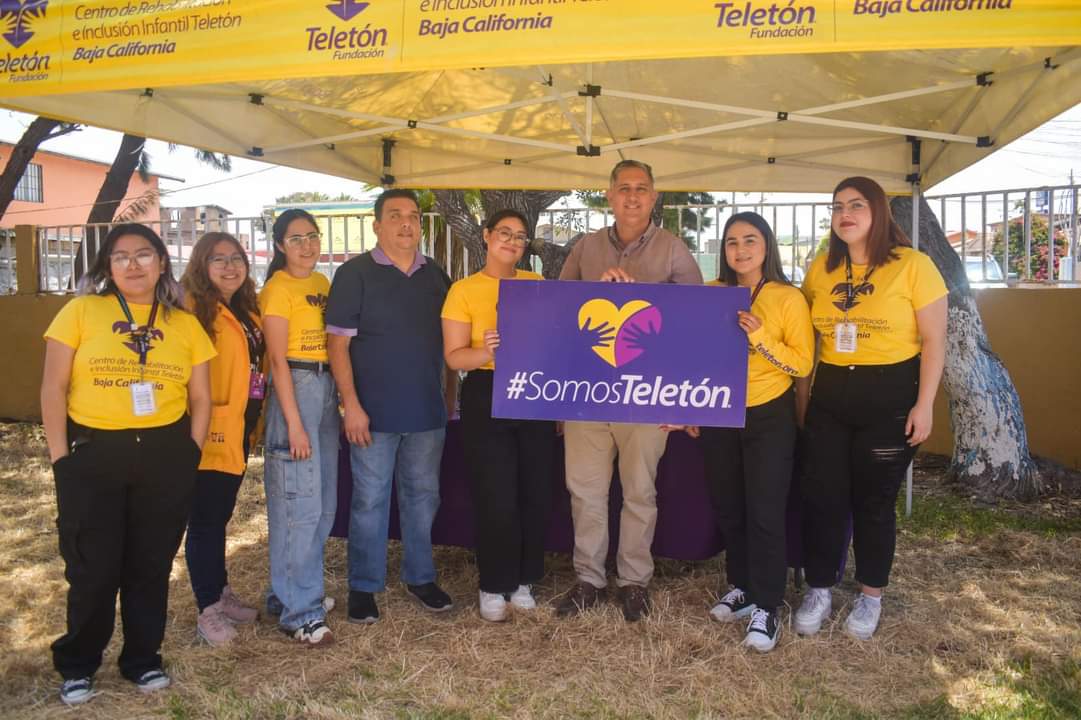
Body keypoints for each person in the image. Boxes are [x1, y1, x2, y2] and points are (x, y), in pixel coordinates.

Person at [40, 223, 215, 705]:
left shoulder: (185, 324)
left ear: (162, 262)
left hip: (165, 455)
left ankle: (143, 659)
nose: (133, 264)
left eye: (143, 254)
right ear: (108, 266)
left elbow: (201, 397)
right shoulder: (80, 311)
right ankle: (78, 664)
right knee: (92, 568)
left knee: (150, 564)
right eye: (121, 256)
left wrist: (190, 451)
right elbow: (53, 388)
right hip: (94, 454)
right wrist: (60, 459)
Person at [794, 176, 947, 640]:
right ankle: (820, 587)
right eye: (838, 206)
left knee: (874, 501)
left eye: (856, 205)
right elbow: (807, 340)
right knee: (823, 497)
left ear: (878, 211)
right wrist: (804, 400)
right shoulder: (820, 268)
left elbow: (934, 341)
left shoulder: (913, 266)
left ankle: (870, 595)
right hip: (831, 393)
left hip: (891, 394)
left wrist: (925, 404)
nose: (845, 214)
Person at [555, 159, 703, 622]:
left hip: (646, 396)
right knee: (585, 491)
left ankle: (634, 581)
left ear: (654, 196)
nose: (632, 196)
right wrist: (595, 296)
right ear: (610, 195)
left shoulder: (673, 249)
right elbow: (559, 313)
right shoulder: (585, 248)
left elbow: (695, 321)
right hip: (588, 394)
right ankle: (589, 579)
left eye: (641, 188)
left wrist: (642, 298)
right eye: (624, 188)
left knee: (640, 491)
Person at [326, 189, 453, 625]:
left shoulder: (436, 275)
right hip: (372, 415)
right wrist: (351, 405)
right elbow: (337, 346)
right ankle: (364, 587)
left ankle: (421, 577)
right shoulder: (354, 274)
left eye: (413, 215)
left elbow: (448, 342)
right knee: (369, 501)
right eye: (395, 215)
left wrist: (448, 398)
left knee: (423, 498)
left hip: (426, 414)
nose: (406, 223)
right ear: (377, 224)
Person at [690, 212, 813, 652]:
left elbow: (802, 364)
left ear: (767, 246)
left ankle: (767, 604)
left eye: (749, 240)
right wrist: (692, 405)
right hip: (719, 412)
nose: (740, 250)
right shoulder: (712, 293)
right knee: (729, 507)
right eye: (731, 242)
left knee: (764, 511)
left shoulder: (787, 298)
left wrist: (760, 338)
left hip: (768, 414)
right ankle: (741, 586)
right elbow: (695, 355)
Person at [442, 209, 555, 622]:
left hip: (535, 392)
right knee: (495, 493)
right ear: (487, 235)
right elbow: (454, 357)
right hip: (488, 391)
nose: (512, 241)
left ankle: (524, 580)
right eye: (504, 233)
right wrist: (485, 351)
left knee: (534, 491)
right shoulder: (463, 290)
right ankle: (493, 583)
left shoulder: (537, 284)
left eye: (520, 236)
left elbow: (555, 340)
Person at [259, 209, 341, 646]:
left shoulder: (322, 283)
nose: (307, 245)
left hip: (325, 387)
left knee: (323, 502)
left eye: (312, 236)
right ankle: (301, 613)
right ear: (280, 245)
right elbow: (277, 360)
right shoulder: (277, 289)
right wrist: (294, 423)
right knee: (298, 504)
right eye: (296, 239)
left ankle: (288, 591)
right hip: (297, 386)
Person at [180, 232, 265, 646]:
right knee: (204, 521)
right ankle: (207, 609)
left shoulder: (245, 308)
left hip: (239, 428)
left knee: (220, 516)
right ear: (201, 265)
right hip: (207, 430)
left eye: (236, 258)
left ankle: (220, 591)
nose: (230, 266)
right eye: (218, 259)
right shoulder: (190, 308)